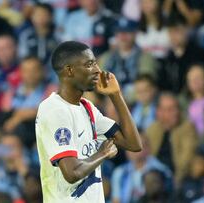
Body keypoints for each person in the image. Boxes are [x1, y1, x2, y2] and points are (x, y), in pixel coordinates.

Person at [35, 41, 142, 202]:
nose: (98, 71)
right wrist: (102, 153)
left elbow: (133, 144)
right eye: (89, 64)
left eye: (96, 63)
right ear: (69, 70)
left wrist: (116, 96)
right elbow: (72, 173)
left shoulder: (87, 107)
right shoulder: (55, 110)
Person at [146, 92, 198, 184]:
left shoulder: (187, 128)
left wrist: (176, 182)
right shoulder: (152, 129)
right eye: (169, 110)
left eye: (176, 108)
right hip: (153, 175)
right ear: (159, 112)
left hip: (176, 177)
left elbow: (186, 161)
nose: (175, 113)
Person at [111, 136, 171, 203]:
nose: (131, 150)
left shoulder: (162, 172)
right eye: (128, 146)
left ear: (148, 148)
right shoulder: (119, 172)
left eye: (135, 146)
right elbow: (116, 200)